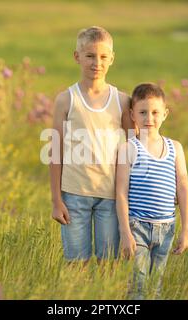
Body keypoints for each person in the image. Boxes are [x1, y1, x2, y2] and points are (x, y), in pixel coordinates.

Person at [49, 26, 134, 263]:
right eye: (90, 56)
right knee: (77, 263)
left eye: (103, 57)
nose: (97, 63)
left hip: (112, 197)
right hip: (74, 196)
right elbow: (55, 152)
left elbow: (137, 151)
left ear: (112, 59)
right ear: (77, 57)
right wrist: (57, 200)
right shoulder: (66, 99)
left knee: (109, 262)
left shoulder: (122, 100)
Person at [116, 83, 188, 299]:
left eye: (155, 112)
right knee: (138, 285)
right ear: (132, 114)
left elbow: (184, 186)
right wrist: (125, 232)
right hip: (137, 226)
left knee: (155, 286)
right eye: (142, 112)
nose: (149, 118)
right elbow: (120, 192)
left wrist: (186, 229)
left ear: (165, 114)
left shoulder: (175, 148)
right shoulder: (128, 148)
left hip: (166, 228)